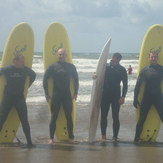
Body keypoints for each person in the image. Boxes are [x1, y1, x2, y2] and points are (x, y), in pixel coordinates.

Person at [43, 48, 79, 144]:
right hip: (56, 95)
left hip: (67, 95)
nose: (61, 56)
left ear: (66, 55)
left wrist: (76, 92)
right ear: (57, 55)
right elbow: (45, 79)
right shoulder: (52, 67)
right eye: (59, 54)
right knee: (54, 117)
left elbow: (76, 79)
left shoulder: (71, 67)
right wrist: (46, 93)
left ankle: (71, 138)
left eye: (63, 54)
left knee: (69, 116)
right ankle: (51, 138)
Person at [0, 53, 36, 148]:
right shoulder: (7, 69)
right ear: (15, 62)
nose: (23, 63)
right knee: (1, 119)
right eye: (22, 61)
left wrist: (27, 86)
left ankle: (29, 143)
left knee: (24, 120)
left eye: (23, 61)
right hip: (7, 97)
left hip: (19, 98)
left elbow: (33, 75)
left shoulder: (25, 70)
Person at [93, 53, 128, 141]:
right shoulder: (105, 67)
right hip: (105, 94)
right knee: (103, 115)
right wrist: (94, 76)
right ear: (112, 58)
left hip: (116, 95)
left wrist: (123, 96)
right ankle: (103, 135)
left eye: (117, 61)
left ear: (120, 60)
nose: (115, 63)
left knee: (115, 116)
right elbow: (97, 76)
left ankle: (115, 136)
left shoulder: (122, 69)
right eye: (114, 61)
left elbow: (125, 84)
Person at [133, 50, 163, 142]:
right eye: (152, 57)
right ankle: (136, 138)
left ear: (157, 58)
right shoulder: (144, 70)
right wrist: (135, 98)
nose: (153, 58)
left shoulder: (161, 69)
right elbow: (138, 85)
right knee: (142, 118)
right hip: (147, 97)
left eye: (155, 57)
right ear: (149, 58)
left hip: (158, 97)